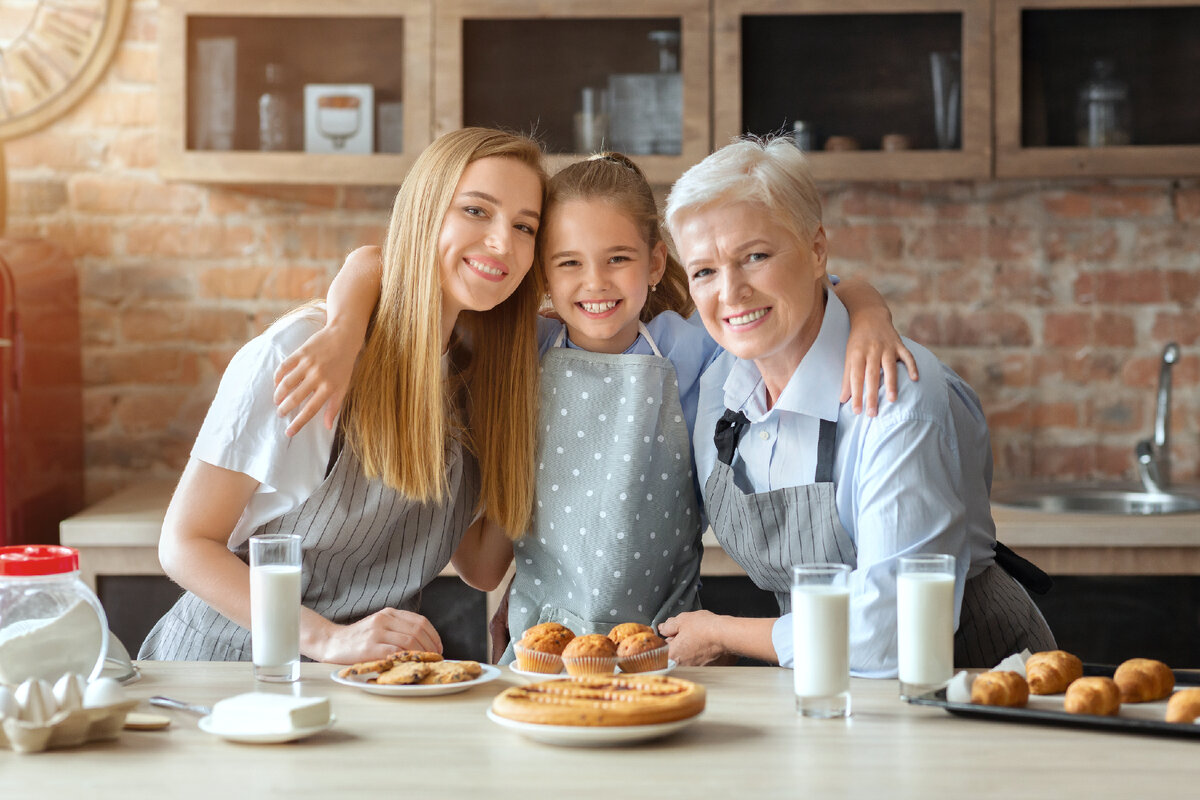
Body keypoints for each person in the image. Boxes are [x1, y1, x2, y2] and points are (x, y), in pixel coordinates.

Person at [272, 150, 915, 662]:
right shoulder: (522, 345)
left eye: (618, 260)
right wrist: (342, 328)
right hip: (539, 647)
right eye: (569, 263)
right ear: (543, 277)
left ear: (656, 261)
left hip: (666, 646)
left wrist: (866, 307)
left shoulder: (692, 352)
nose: (596, 282)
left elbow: (801, 294)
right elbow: (382, 262)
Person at [139, 127, 547, 664]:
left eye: (525, 227)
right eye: (476, 211)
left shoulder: (478, 383)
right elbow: (185, 543)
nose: (503, 243)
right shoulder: (305, 352)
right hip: (224, 673)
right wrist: (326, 637)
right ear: (424, 214)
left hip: (356, 687)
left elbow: (482, 564)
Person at [657, 136, 1055, 675]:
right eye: (704, 270)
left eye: (755, 256)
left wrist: (726, 633)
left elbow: (894, 631)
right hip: (823, 685)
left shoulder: (895, 397)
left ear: (817, 249)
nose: (730, 292)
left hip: (967, 680)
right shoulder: (719, 380)